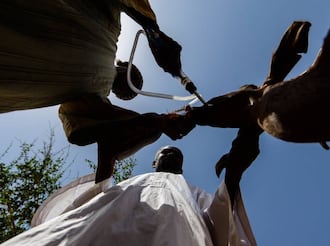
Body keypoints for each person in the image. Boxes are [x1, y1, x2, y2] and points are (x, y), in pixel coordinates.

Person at [0, 0, 191, 183]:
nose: (127, 91)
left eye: (128, 93)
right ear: (126, 65)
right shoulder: (106, 36)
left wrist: (159, 123)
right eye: (132, 84)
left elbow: (90, 135)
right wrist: (153, 31)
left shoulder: (93, 95)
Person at [0, 146, 266, 246]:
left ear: (182, 166)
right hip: (99, 235)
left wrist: (234, 173)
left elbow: (220, 223)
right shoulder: (130, 184)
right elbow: (92, 202)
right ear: (154, 162)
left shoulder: (193, 194)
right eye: (165, 152)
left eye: (176, 154)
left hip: (175, 245)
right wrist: (107, 157)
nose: (171, 154)